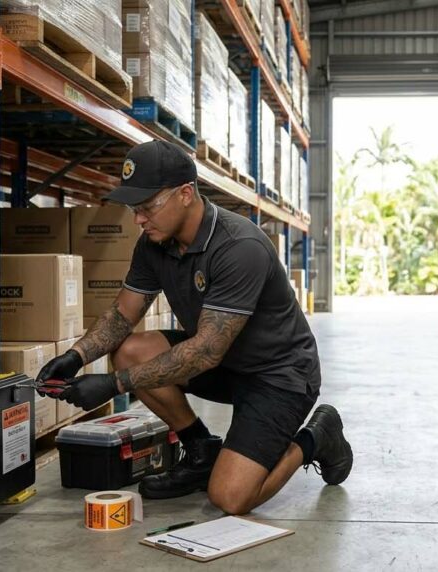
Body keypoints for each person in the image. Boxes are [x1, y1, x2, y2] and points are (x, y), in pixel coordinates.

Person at [36, 140, 353, 515]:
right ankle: (201, 448)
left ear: (186, 194)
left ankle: (318, 436)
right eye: (135, 208)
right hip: (226, 367)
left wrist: (112, 385)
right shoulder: (153, 243)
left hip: (279, 376)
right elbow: (122, 315)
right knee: (129, 349)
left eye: (148, 206)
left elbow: (205, 350)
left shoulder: (239, 246)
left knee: (230, 498)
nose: (139, 218)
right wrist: (76, 356)